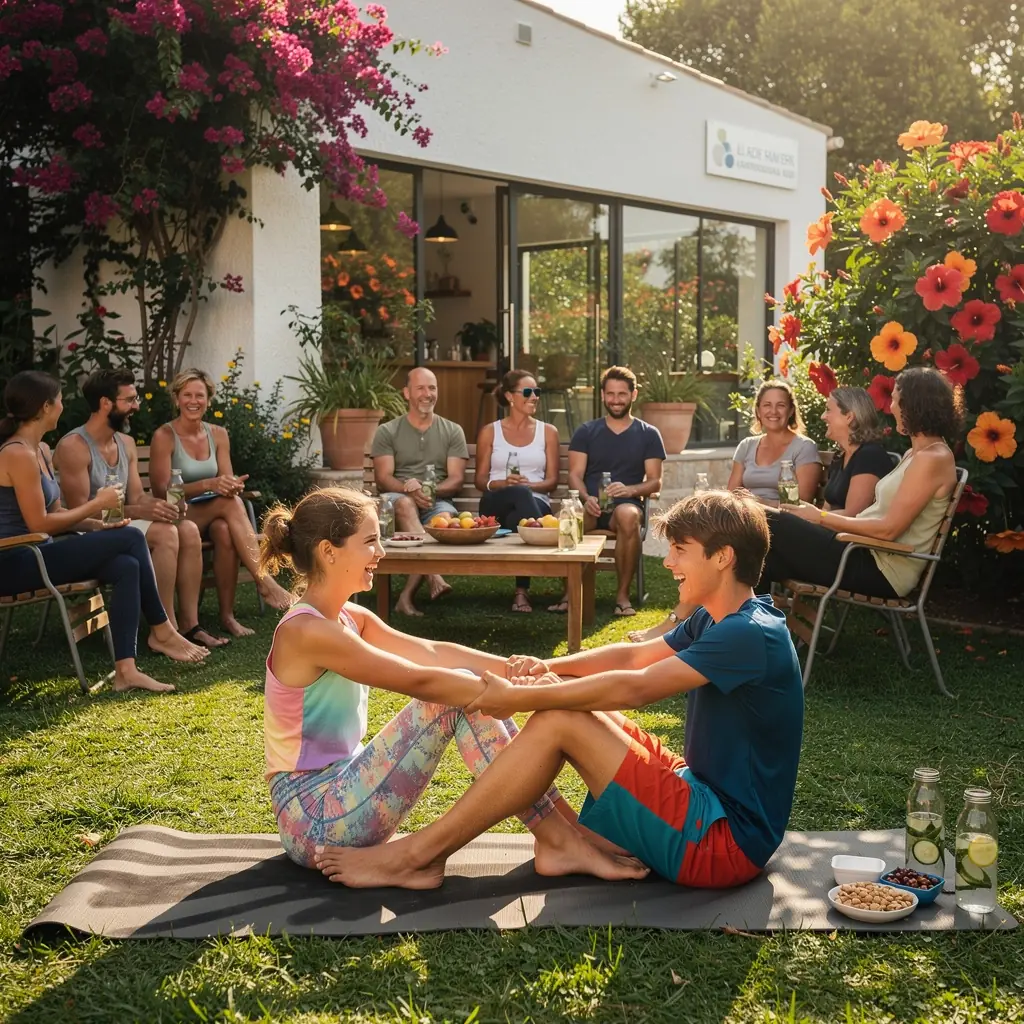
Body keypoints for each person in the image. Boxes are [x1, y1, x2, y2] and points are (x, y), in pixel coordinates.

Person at [312, 489, 804, 891]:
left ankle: (416, 857)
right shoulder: (718, 618)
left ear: (723, 558)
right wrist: (545, 669)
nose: (669, 562)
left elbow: (635, 688)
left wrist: (522, 697)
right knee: (559, 702)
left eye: (681, 550)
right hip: (700, 792)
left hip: (723, 843)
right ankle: (560, 844)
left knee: (560, 714)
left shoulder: (746, 634)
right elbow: (629, 656)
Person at [260, 486, 648, 884]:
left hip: (347, 796)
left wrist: (531, 673)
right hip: (314, 822)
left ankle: (566, 835)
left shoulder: (347, 617)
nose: (381, 553)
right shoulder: (307, 632)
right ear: (329, 551)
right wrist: (529, 695)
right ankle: (560, 840)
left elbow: (432, 652)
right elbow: (419, 679)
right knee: (451, 696)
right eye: (371, 542)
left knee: (459, 688)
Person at [0, 372, 209, 693]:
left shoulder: (40, 449)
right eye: (58, 400)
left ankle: (126, 670)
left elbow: (58, 514)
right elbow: (39, 524)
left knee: (126, 564)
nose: (62, 406)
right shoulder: (17, 454)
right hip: (17, 560)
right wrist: (96, 505)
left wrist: (101, 526)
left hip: (44, 551)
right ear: (44, 407)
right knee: (133, 537)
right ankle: (162, 630)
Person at [630, 378, 821, 643]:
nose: (773, 411)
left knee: (726, 549)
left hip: (785, 529)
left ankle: (679, 623)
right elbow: (732, 494)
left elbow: (801, 503)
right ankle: (702, 625)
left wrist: (756, 505)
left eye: (780, 405)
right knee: (715, 545)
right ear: (757, 411)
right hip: (749, 522)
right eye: (767, 405)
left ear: (791, 410)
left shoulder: (804, 447)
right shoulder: (747, 446)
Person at [55, 369, 228, 650]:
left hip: (123, 526)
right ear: (105, 404)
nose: (137, 406)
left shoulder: (126, 443)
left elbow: (137, 495)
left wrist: (161, 506)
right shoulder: (74, 447)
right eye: (130, 400)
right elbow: (81, 514)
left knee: (187, 529)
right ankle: (165, 630)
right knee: (166, 535)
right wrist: (140, 512)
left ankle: (190, 624)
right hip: (90, 535)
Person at [759, 367, 959, 601]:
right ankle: (752, 632)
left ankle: (751, 631)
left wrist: (819, 517)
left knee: (768, 520)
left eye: (895, 400)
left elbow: (889, 529)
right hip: (859, 552)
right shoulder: (914, 454)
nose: (891, 407)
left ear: (913, 405)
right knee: (755, 556)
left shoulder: (932, 458)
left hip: (880, 569)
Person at [149, 368, 293, 638]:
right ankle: (264, 582)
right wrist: (208, 484)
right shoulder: (164, 436)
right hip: (175, 516)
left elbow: (225, 480)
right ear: (177, 399)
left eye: (200, 395)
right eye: (187, 395)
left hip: (209, 515)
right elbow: (162, 492)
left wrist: (232, 484)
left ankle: (227, 616)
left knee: (225, 529)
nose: (194, 401)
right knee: (230, 506)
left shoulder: (218, 434)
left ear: (209, 399)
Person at [549, 366, 666, 618]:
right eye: (610, 394)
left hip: (625, 505)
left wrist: (631, 489)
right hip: (591, 504)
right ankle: (570, 593)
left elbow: (655, 482)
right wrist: (585, 497)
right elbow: (575, 476)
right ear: (602, 395)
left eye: (622, 394)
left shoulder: (649, 434)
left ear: (633, 395)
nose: (616, 400)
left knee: (628, 515)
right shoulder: (586, 431)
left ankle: (622, 596)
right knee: (569, 516)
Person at [371, 367, 469, 616]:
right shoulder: (387, 431)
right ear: (406, 393)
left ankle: (405, 597)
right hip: (396, 500)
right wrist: (407, 489)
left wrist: (430, 489)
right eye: (421, 388)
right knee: (404, 505)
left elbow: (456, 479)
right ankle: (434, 576)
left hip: (437, 498)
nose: (428, 394)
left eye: (432, 388)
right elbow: (383, 478)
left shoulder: (452, 430)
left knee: (445, 519)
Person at [475, 369, 560, 613]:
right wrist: (501, 483)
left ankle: (521, 592)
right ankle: (559, 569)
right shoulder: (490, 432)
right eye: (528, 392)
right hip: (495, 505)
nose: (534, 397)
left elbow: (552, 481)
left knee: (519, 511)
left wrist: (528, 486)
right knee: (519, 500)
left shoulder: (548, 432)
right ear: (510, 397)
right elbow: (480, 480)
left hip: (535, 502)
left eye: (537, 392)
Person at [820, 386, 894, 515]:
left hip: (848, 534)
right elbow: (827, 508)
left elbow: (853, 514)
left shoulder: (870, 456)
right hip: (830, 529)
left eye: (828, 410)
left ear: (849, 417)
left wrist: (814, 516)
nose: (823, 416)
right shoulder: (840, 455)